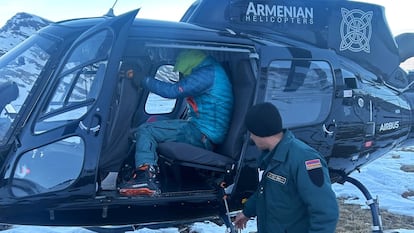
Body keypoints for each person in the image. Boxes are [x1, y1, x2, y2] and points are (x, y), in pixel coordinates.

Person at [119, 50, 234, 196]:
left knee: (146, 130)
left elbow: (172, 91)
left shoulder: (207, 74)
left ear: (189, 64)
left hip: (202, 133)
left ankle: (145, 177)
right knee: (153, 121)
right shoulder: (211, 71)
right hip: (201, 129)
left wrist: (142, 79)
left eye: (183, 72)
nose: (182, 75)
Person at [233, 102, 339, 232]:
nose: (252, 138)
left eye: (252, 133)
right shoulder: (271, 156)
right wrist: (247, 212)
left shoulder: (305, 159)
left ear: (261, 132)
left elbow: (325, 211)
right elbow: (267, 192)